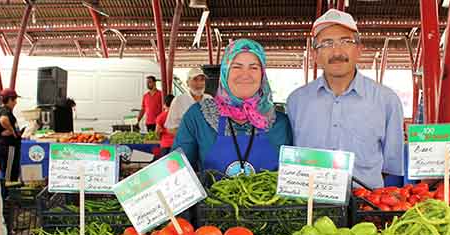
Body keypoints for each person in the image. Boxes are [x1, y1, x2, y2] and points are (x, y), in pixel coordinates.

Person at [286, 9, 404, 188]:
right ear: (315, 55)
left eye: (345, 41)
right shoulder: (296, 102)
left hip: (366, 204)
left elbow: (391, 166)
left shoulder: (387, 101)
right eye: (326, 43)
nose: (337, 51)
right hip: (311, 203)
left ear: (359, 50)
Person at [172, 39, 293, 176]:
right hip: (213, 197)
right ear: (225, 72)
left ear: (262, 74)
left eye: (254, 68)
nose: (245, 75)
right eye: (236, 67)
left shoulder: (281, 123)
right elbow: (176, 171)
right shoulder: (198, 116)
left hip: (267, 198)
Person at [0, 88, 22, 198]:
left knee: (4, 171)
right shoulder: (5, 111)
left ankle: (2, 196)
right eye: (14, 100)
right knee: (8, 175)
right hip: (8, 147)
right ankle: (6, 199)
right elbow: (3, 120)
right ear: (9, 100)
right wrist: (11, 130)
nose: (15, 102)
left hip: (1, 146)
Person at [165, 67, 213, 134]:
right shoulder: (179, 100)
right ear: (187, 83)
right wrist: (188, 137)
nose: (199, 83)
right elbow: (170, 128)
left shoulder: (209, 99)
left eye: (202, 80)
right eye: (195, 79)